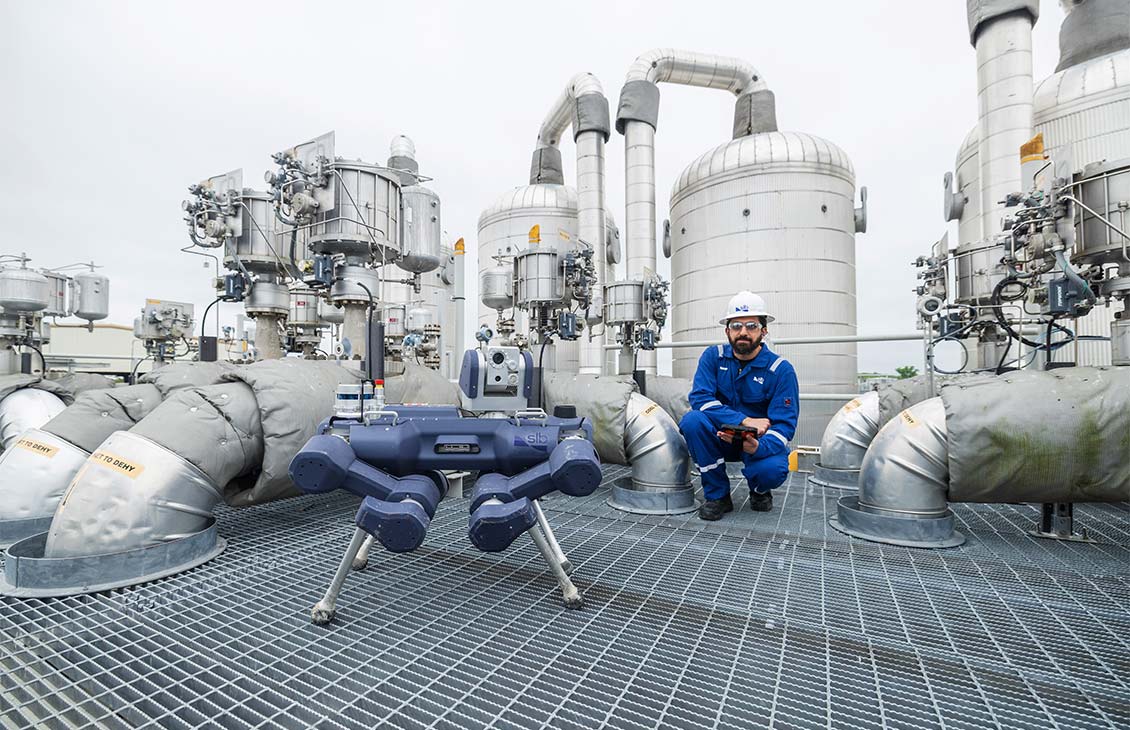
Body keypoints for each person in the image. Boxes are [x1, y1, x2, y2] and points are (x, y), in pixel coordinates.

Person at [679, 291, 799, 520]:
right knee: (692, 421)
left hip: (757, 442)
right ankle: (718, 496)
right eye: (736, 326)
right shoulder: (713, 357)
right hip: (720, 436)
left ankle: (759, 490)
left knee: (772, 471)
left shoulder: (781, 370)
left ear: (764, 331)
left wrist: (759, 447)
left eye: (751, 325)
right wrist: (743, 421)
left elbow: (784, 425)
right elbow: (700, 399)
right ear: (727, 331)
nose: (743, 332)